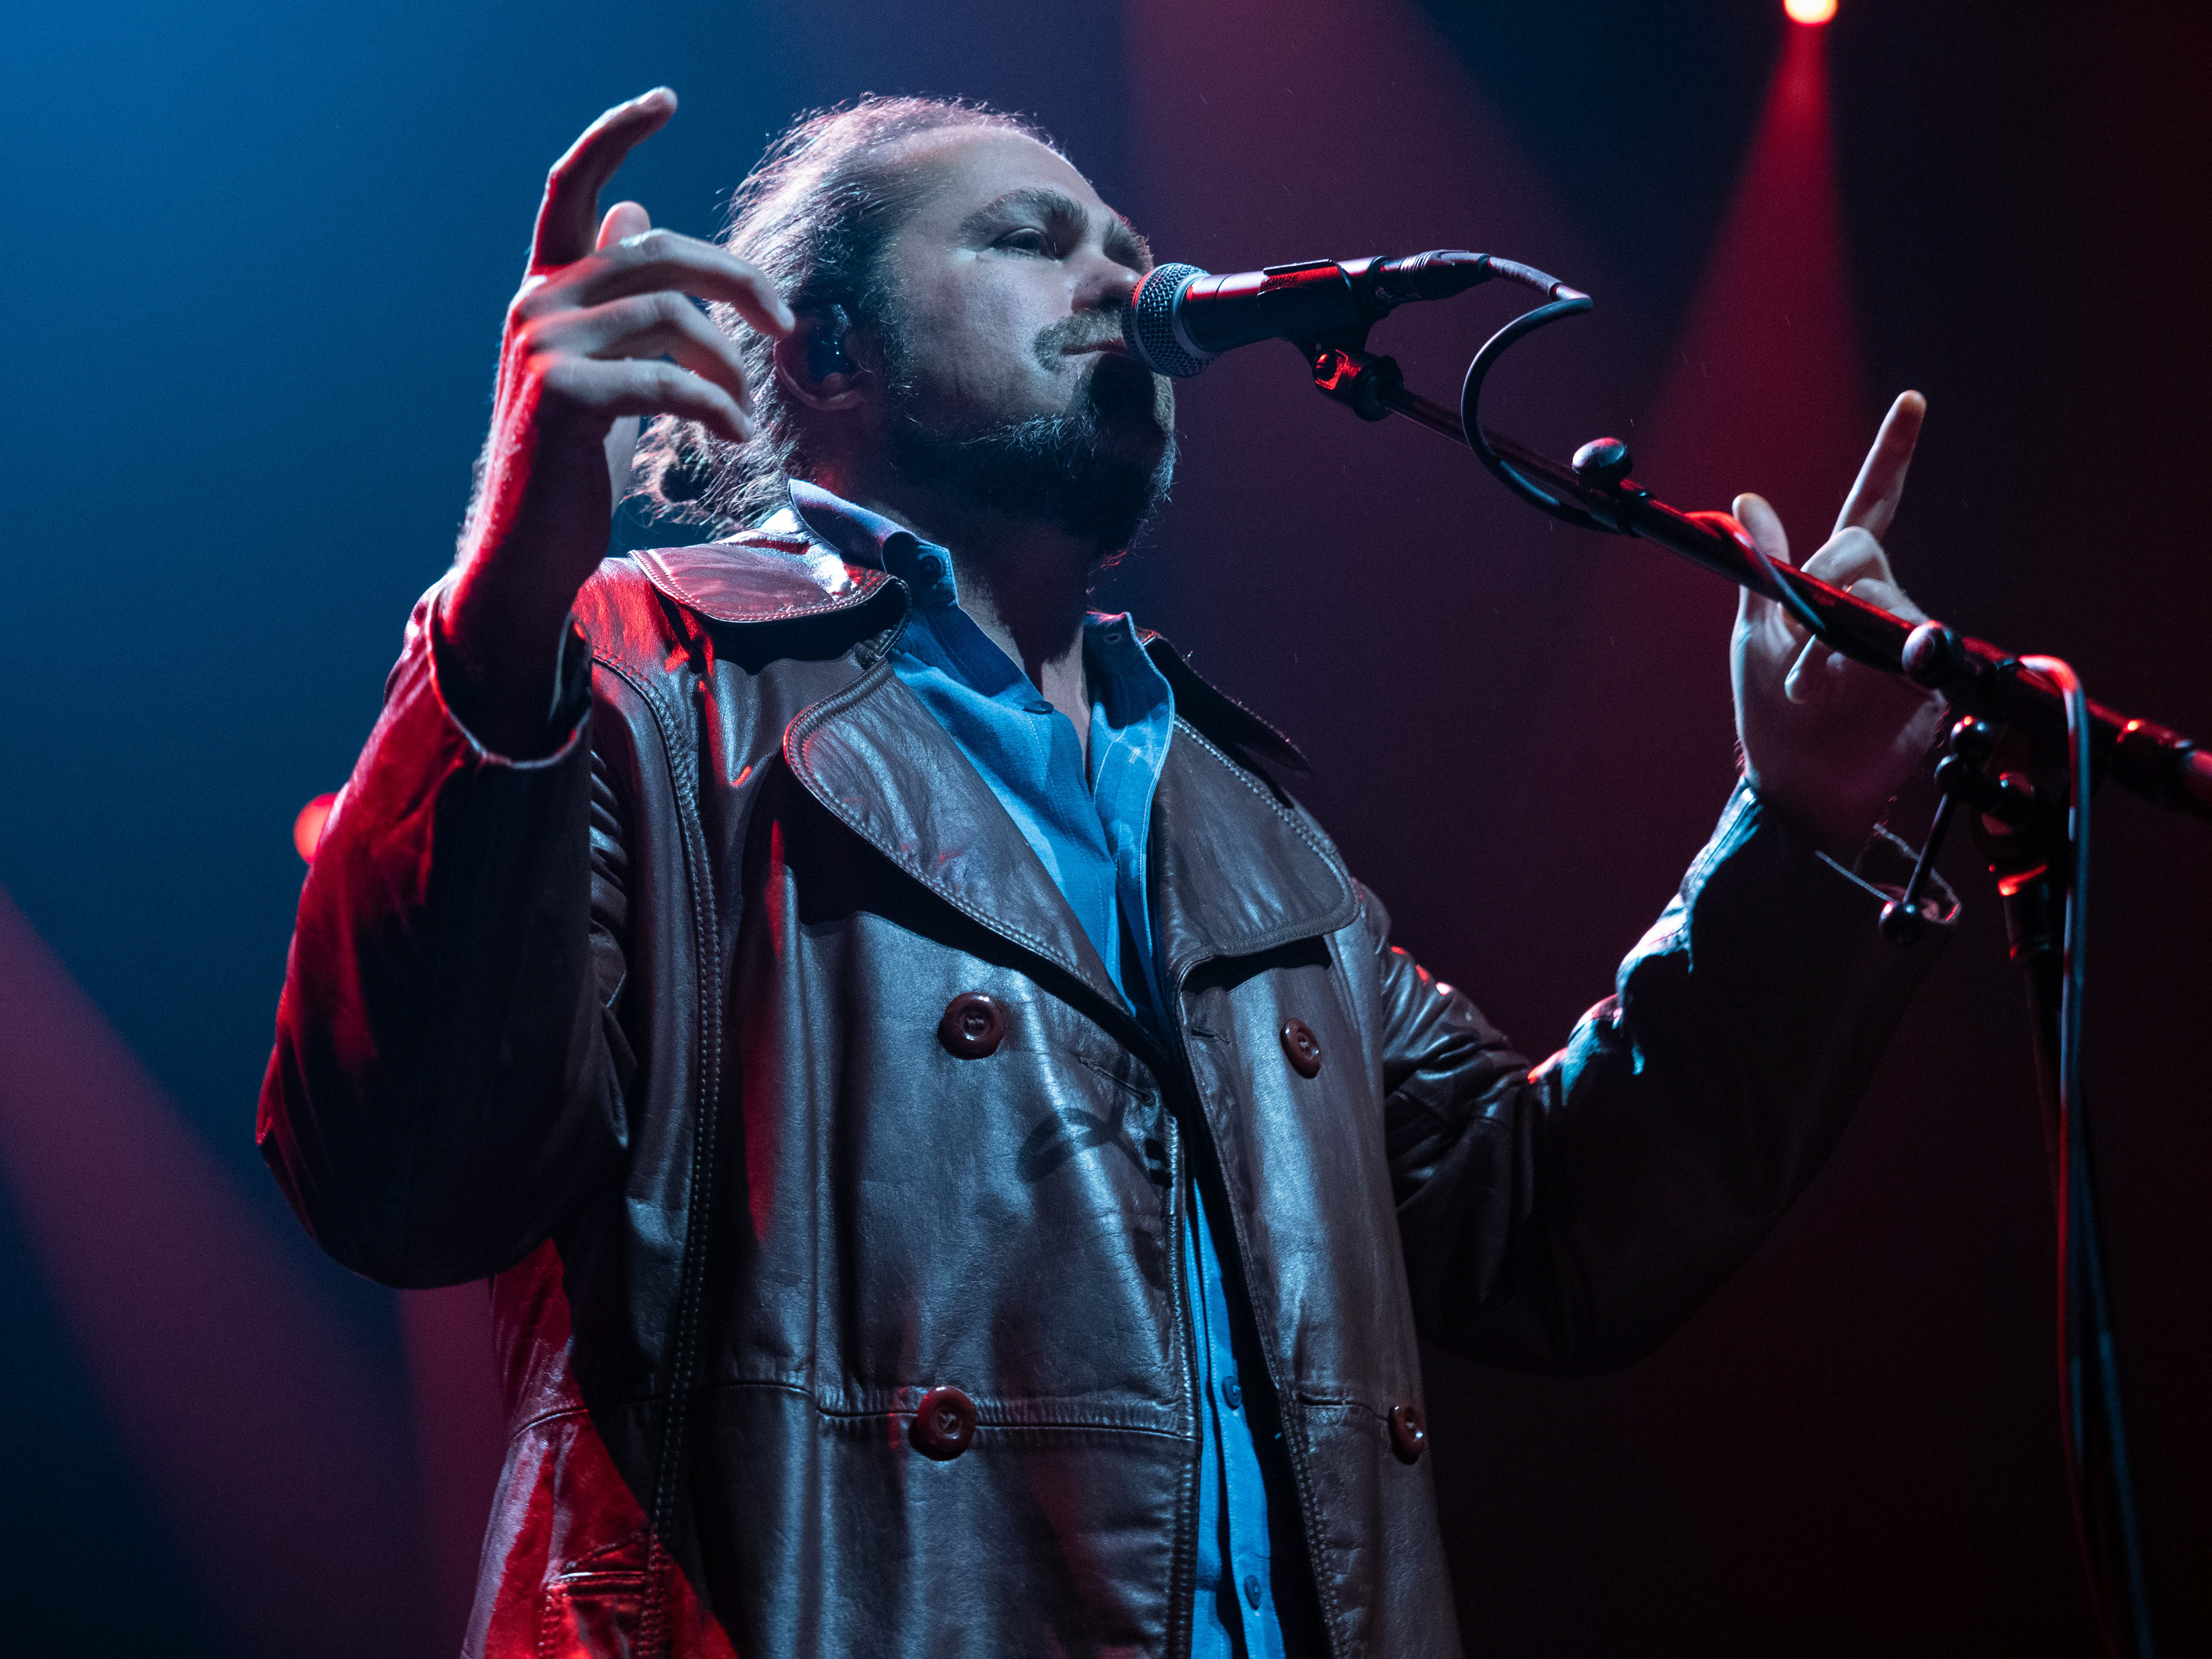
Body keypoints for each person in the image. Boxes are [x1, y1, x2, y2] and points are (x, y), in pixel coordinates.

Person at [259, 87, 1955, 1659]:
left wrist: (1797, 836)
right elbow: (406, 1177)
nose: (1125, 285)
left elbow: (1547, 1230)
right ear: (826, 350)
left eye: (1131, 251)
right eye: (1029, 240)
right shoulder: (638, 675)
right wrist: (508, 598)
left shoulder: (1237, 815)